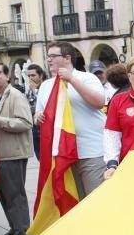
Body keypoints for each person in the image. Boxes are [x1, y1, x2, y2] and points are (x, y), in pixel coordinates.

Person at [35, 42, 107, 199]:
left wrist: (72, 80)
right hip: (64, 153)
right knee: (75, 202)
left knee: (96, 200)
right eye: (48, 57)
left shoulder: (87, 78)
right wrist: (37, 116)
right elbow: (40, 113)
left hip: (91, 151)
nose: (48, 60)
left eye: (53, 56)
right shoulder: (46, 86)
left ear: (67, 58)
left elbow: (99, 102)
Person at [0, 61, 33, 235]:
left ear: (7, 76)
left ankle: (22, 231)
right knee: (4, 195)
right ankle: (14, 227)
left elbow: (25, 123)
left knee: (15, 195)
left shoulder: (15, 96)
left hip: (12, 153)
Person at [24, 64, 46, 161]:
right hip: (35, 128)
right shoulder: (29, 90)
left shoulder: (47, 87)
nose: (30, 78)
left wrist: (35, 91)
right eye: (28, 76)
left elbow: (41, 107)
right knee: (40, 158)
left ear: (40, 76)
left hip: (46, 127)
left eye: (33, 75)